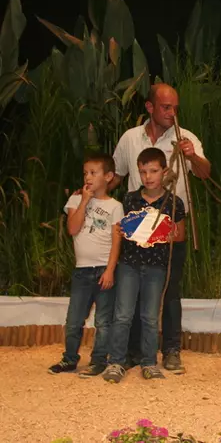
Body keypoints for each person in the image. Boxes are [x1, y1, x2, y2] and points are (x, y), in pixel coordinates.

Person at [110, 82, 211, 375]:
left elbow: (205, 174)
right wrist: (92, 192)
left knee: (170, 291)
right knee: (133, 294)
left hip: (170, 230)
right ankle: (132, 354)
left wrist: (192, 156)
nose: (172, 113)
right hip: (137, 233)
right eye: (166, 107)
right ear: (150, 108)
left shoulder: (186, 137)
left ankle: (171, 350)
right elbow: (116, 175)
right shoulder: (130, 138)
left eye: (175, 108)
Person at [103, 147, 186, 383]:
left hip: (156, 268)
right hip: (129, 264)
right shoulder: (129, 199)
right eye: (143, 172)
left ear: (165, 172)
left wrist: (171, 233)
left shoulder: (173, 202)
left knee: (150, 316)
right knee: (123, 314)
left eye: (153, 171)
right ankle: (116, 362)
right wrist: (121, 230)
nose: (148, 176)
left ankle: (149, 363)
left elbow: (181, 235)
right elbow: (121, 228)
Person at [48, 152, 123, 378]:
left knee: (103, 321)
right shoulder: (76, 199)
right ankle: (69, 359)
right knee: (74, 320)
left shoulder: (115, 206)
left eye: (93, 173)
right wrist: (84, 200)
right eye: (85, 173)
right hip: (82, 271)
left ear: (108, 176)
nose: (88, 177)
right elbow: (73, 229)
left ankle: (98, 361)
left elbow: (116, 241)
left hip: (104, 270)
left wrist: (110, 270)